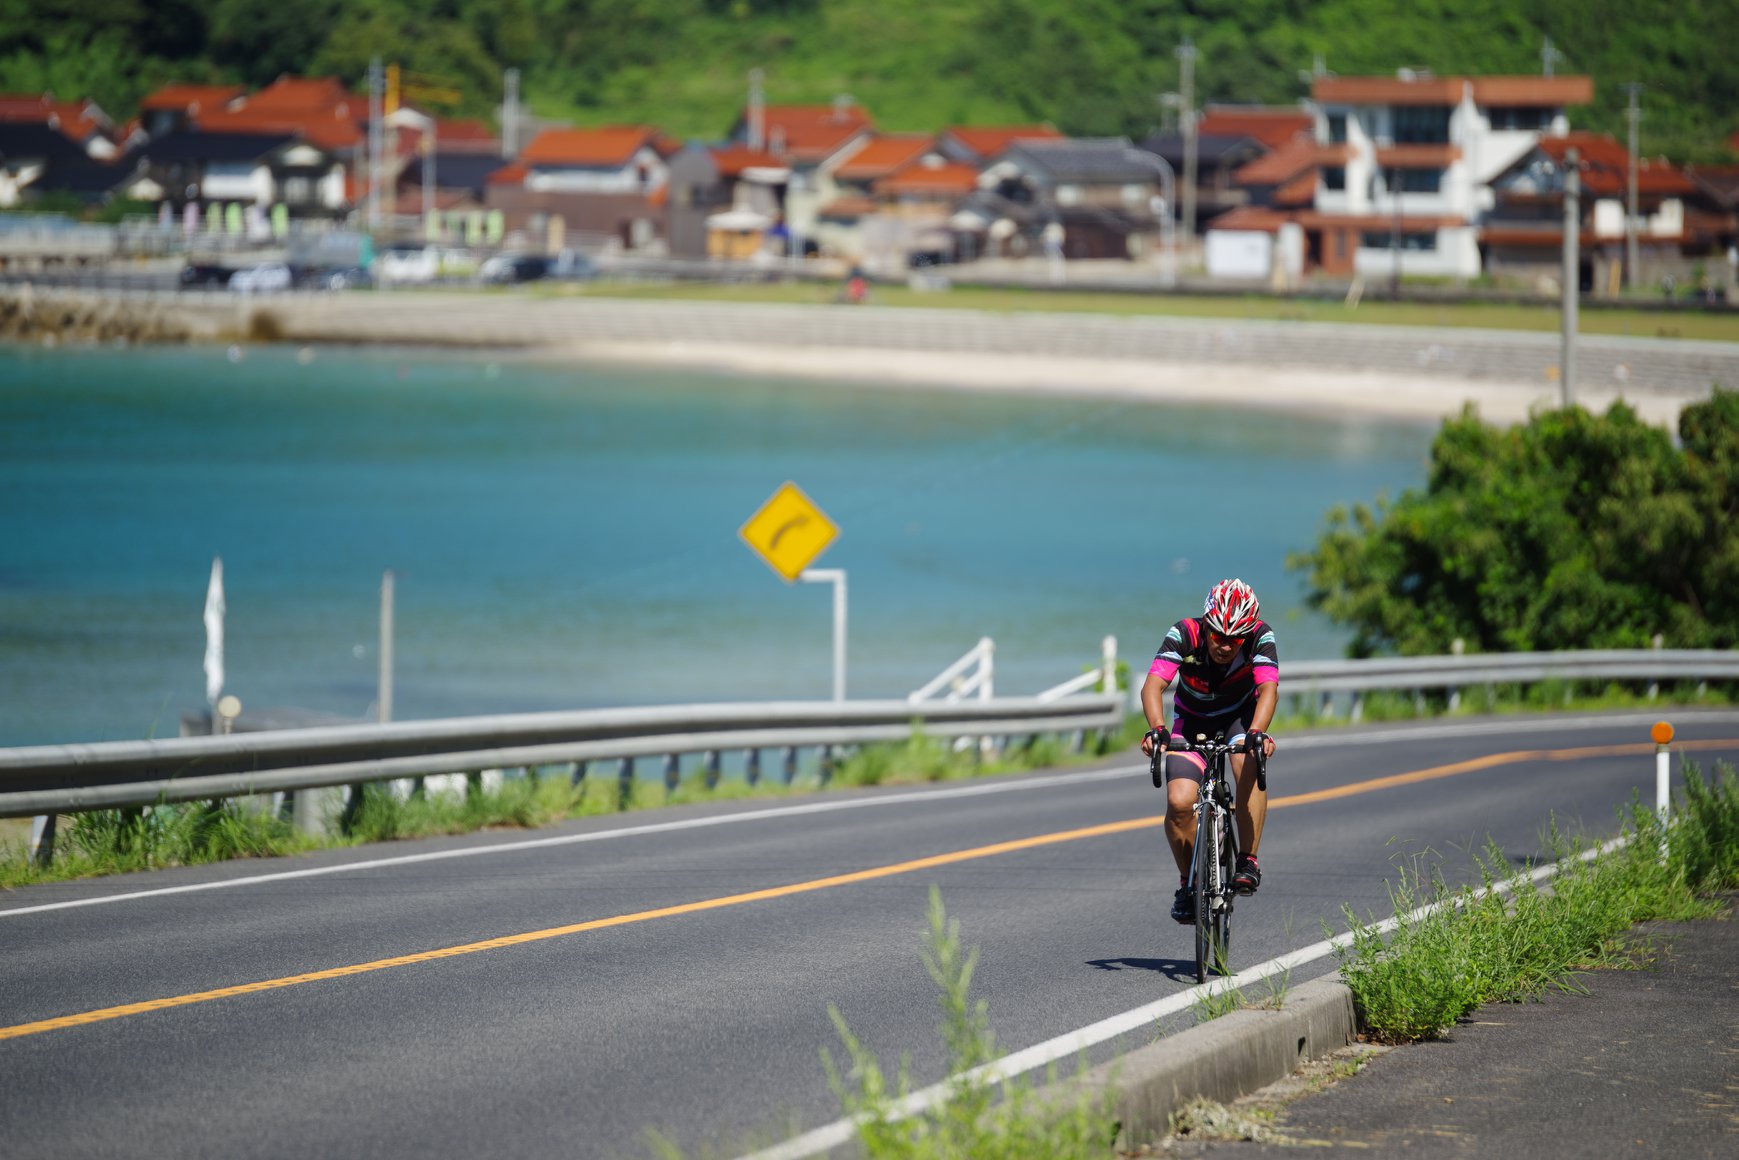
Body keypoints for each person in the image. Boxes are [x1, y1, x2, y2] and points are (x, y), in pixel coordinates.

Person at [1138, 578, 1279, 924]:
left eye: (1234, 639)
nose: (1225, 646)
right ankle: (1188, 883)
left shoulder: (1262, 636)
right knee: (1179, 802)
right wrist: (1157, 729)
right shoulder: (1184, 633)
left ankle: (1248, 859)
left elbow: (1268, 689)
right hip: (1191, 720)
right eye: (1218, 635)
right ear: (1207, 624)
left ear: (1247, 633)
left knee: (1248, 763)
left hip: (1239, 719)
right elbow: (1153, 686)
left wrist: (1258, 732)